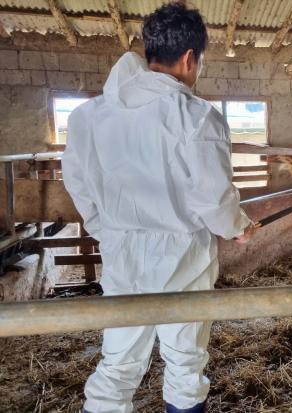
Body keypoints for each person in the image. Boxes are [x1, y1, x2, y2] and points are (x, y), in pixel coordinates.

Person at [62, 2, 255, 412]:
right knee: (185, 361)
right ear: (189, 59)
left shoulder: (88, 117)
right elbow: (213, 199)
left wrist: (109, 230)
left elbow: (79, 185)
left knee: (118, 362)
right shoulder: (198, 116)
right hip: (183, 255)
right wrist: (237, 226)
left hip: (121, 251)